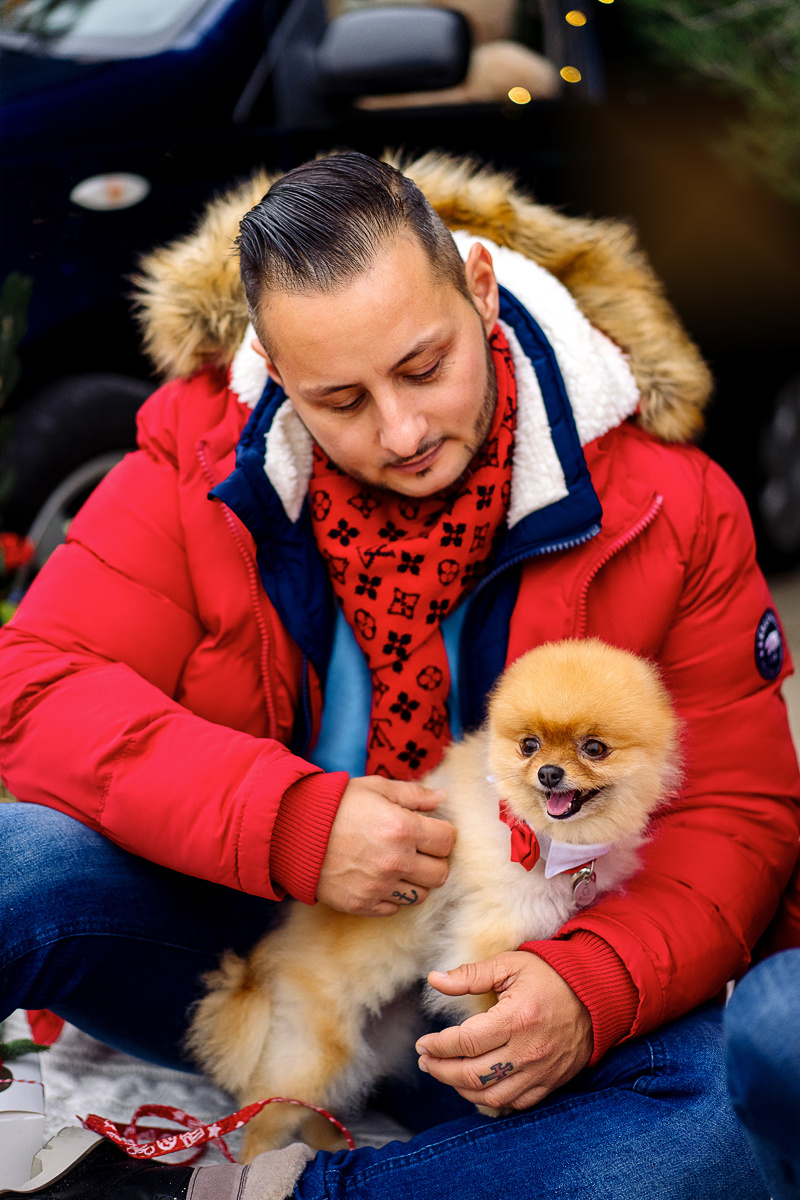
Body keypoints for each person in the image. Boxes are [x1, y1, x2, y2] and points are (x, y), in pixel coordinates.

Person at [1, 151, 798, 1200]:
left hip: (526, 986)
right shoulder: (200, 454)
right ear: (275, 374)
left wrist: (586, 986)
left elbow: (739, 811)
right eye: (340, 399)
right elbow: (35, 683)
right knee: (21, 855)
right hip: (271, 956)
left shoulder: (670, 503)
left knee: (728, 1119)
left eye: (424, 368)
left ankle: (245, 1193)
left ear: (478, 289)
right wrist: (288, 820)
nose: (402, 431)